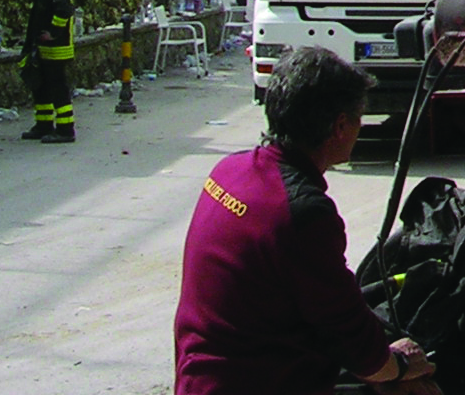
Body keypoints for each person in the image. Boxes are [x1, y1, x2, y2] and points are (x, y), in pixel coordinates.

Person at [175, 46, 440, 395]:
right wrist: (403, 364)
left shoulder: (228, 171)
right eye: (360, 118)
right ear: (340, 127)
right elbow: (360, 346)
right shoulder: (302, 213)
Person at [20, 0, 75, 143]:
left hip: (55, 47)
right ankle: (43, 124)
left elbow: (63, 10)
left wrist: (52, 33)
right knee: (40, 85)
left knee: (57, 86)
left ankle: (65, 129)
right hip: (45, 45)